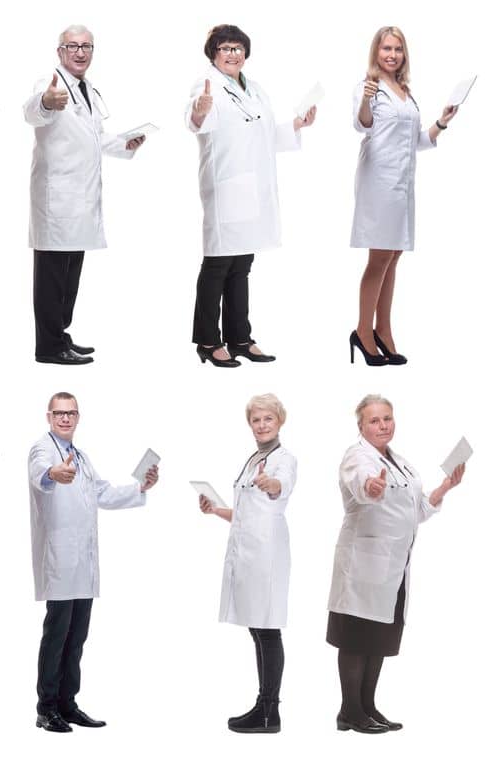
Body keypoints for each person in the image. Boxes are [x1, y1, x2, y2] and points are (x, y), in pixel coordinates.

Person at [328, 394, 465, 733]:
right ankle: (349, 710)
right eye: (374, 420)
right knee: (357, 637)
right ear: (361, 425)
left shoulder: (399, 461)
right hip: (363, 565)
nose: (383, 425)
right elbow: (362, 483)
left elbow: (416, 511)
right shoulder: (357, 456)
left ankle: (368, 706)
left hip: (393, 566)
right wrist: (370, 486)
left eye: (387, 418)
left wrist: (445, 487)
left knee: (379, 638)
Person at [185, 24, 314, 367]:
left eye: (238, 48)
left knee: (242, 265)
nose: (233, 54)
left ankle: (239, 338)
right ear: (213, 53)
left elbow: (266, 133)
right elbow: (197, 120)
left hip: (253, 188)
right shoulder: (207, 85)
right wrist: (200, 109)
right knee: (218, 265)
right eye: (226, 48)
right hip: (226, 185)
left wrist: (297, 126)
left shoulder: (254, 88)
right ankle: (208, 341)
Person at [27, 391, 156, 732]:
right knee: (56, 635)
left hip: (82, 562)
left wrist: (141, 485)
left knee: (77, 636)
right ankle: (46, 708)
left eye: (70, 413)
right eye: (59, 413)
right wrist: (55, 474)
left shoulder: (80, 457)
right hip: (60, 559)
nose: (65, 418)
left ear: (78, 417)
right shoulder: (42, 449)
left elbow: (103, 493)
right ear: (49, 416)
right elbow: (42, 473)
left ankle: (68, 704)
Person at [24, 25, 145, 366]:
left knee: (69, 275)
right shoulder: (49, 84)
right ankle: (48, 347)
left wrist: (125, 144)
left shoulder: (85, 88)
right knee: (51, 277)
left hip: (80, 198)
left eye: (86, 46)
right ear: (60, 51)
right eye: (73, 46)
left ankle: (60, 336)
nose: (80, 52)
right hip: (57, 199)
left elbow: (95, 137)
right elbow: (33, 110)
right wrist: (46, 101)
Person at [348, 27, 458, 366]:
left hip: (403, 184)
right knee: (379, 257)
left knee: (394, 255)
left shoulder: (406, 93)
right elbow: (362, 125)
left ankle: (384, 329)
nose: (392, 54)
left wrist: (441, 122)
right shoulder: (370, 87)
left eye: (397, 49)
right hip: (379, 182)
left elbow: (416, 142)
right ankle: (363, 332)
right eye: (386, 48)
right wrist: (367, 98)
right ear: (376, 52)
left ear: (403, 53)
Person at [197, 393, 296, 733]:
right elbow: (245, 513)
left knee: (267, 629)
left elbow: (278, 488)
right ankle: (262, 705)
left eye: (268, 418)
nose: (262, 424)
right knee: (257, 629)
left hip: (266, 554)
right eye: (256, 420)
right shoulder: (254, 458)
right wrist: (215, 510)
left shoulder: (284, 459)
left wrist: (272, 483)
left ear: (279, 421)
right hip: (247, 551)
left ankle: (271, 712)